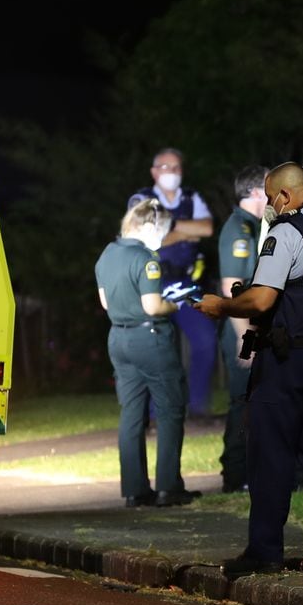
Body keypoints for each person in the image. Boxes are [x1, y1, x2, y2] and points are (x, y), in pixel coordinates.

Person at [195, 163, 303, 576]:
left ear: (286, 196)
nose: (269, 205)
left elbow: (263, 301)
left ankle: (265, 551)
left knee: (271, 455)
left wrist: (222, 306)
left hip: (289, 363)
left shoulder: (287, 231)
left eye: (271, 198)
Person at [95, 198, 195, 509]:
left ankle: (135, 491)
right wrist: (175, 303)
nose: (162, 239)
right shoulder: (146, 258)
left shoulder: (107, 255)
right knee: (169, 409)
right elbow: (152, 306)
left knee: (131, 414)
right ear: (149, 226)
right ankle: (168, 487)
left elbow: (106, 304)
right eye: (161, 232)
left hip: (119, 339)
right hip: (150, 339)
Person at [127, 148, 218, 416]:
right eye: (166, 168)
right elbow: (143, 237)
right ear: (154, 172)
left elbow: (207, 228)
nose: (172, 173)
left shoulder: (192, 197)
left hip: (185, 284)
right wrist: (183, 233)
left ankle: (198, 407)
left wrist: (169, 227)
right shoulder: (141, 199)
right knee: (158, 348)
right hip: (152, 284)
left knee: (205, 341)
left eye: (176, 168)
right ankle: (156, 414)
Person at [215, 166, 268, 494]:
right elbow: (231, 286)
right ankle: (235, 476)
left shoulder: (253, 226)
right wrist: (245, 336)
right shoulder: (239, 230)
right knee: (242, 404)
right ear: (255, 192)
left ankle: (251, 471)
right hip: (244, 328)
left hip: (256, 327)